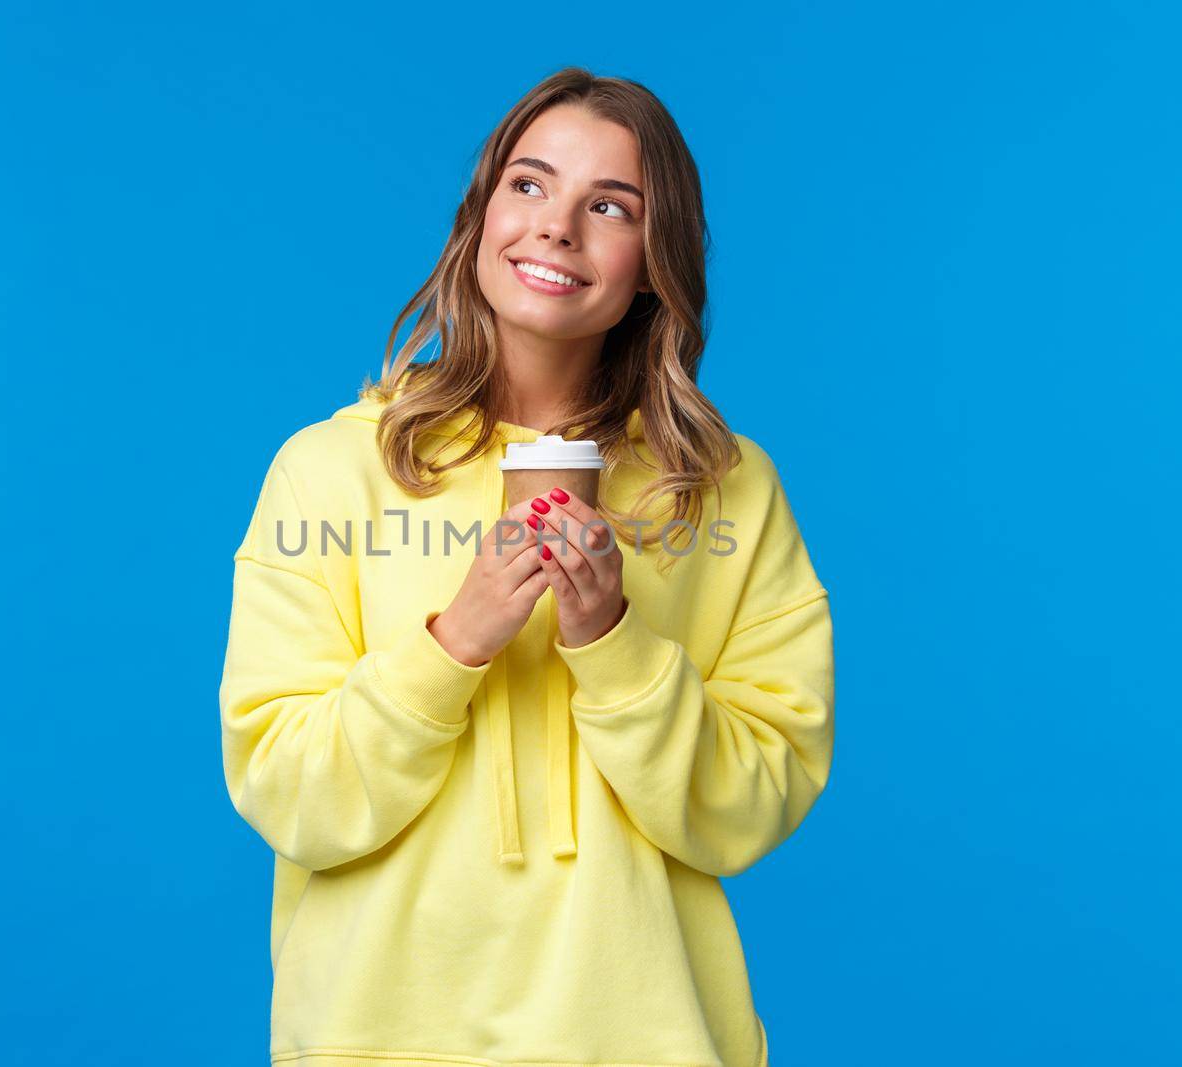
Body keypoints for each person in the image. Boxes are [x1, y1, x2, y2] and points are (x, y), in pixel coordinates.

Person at [218, 66, 835, 1067]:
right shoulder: (329, 470)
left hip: (651, 1037)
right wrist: (457, 638)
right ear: (478, 216)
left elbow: (752, 802)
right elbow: (291, 794)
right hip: (376, 1035)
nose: (557, 227)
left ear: (653, 260)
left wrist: (615, 645)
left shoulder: (719, 489)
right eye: (529, 184)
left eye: (609, 205)